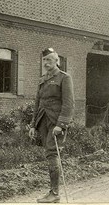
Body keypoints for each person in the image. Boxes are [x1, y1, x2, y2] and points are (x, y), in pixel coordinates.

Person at [28, 48, 74, 203]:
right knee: (49, 154)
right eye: (44, 60)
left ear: (57, 61)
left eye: (49, 60)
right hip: (43, 122)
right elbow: (38, 103)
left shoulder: (64, 78)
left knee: (52, 154)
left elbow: (68, 104)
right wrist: (33, 125)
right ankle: (53, 192)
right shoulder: (42, 80)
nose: (46, 63)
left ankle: (54, 193)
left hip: (55, 123)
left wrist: (61, 124)